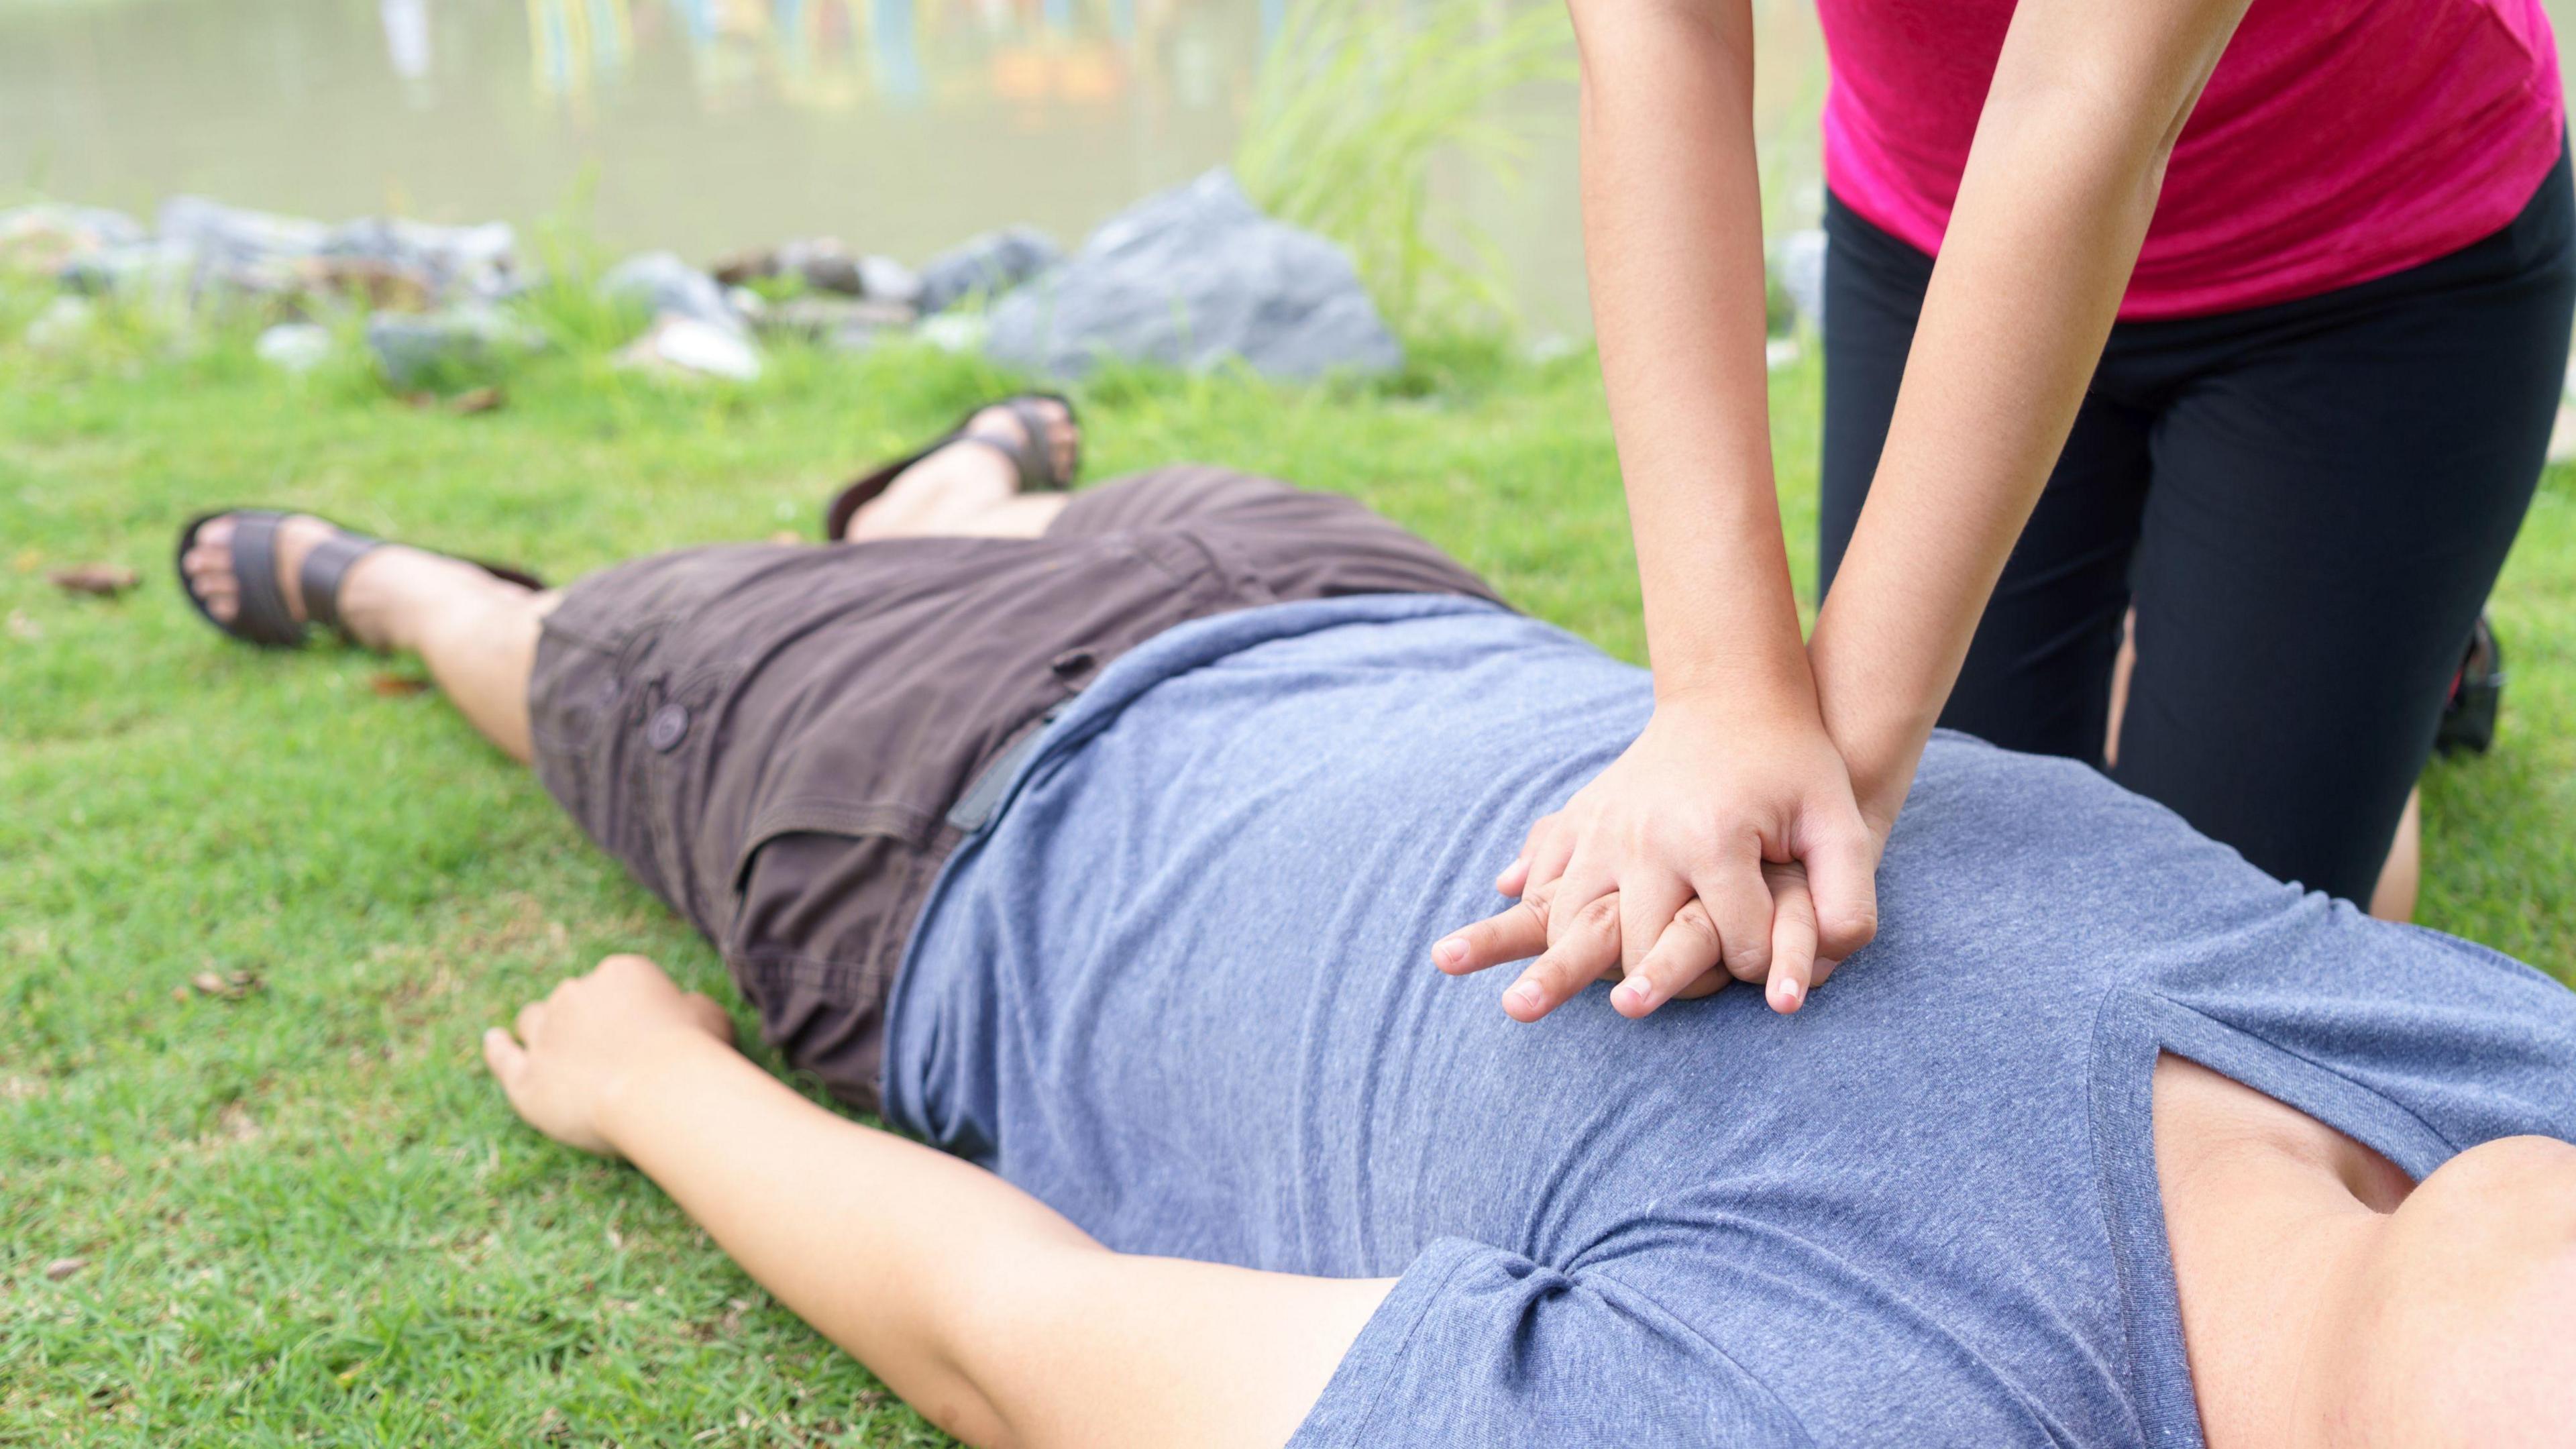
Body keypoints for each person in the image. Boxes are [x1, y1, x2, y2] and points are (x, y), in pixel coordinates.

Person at [175, 402, 2576, 1446]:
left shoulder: (1874, 1412)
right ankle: (964, 486)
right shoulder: (2504, 1098)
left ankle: (388, 583)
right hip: (1361, 602)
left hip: (951, 814)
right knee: (974, 533)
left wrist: (654, 1092)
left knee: (593, 647)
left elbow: (1039, 1346)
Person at [1521, 0, 2576, 1018]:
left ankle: (2394, 679)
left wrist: (1821, 807)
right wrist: (1719, 699)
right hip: (1940, 231)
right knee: (1932, 896)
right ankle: (2200, 622)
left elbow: (2085, 94)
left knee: (2200, 952)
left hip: (2366, 254)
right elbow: (1663, 25)